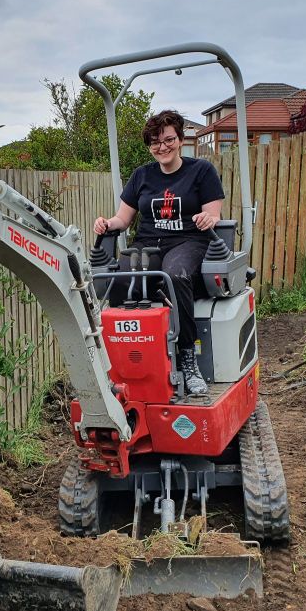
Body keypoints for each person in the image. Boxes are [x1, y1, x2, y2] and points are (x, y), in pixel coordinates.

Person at [94, 110, 225, 396]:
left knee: (174, 274)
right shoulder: (142, 175)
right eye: (155, 141)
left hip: (189, 242)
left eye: (168, 140)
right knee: (119, 281)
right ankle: (124, 361)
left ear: (179, 140)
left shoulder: (201, 171)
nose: (162, 147)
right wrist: (106, 223)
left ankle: (189, 360)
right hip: (149, 244)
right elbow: (123, 219)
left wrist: (208, 219)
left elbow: (213, 213)